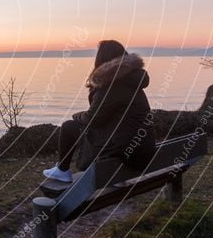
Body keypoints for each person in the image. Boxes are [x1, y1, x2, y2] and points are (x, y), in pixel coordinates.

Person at [43, 40, 156, 183]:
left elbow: (92, 120)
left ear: (101, 59)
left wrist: (76, 115)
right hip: (143, 148)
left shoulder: (113, 84)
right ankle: (62, 169)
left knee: (68, 126)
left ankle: (62, 170)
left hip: (127, 153)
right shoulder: (131, 80)